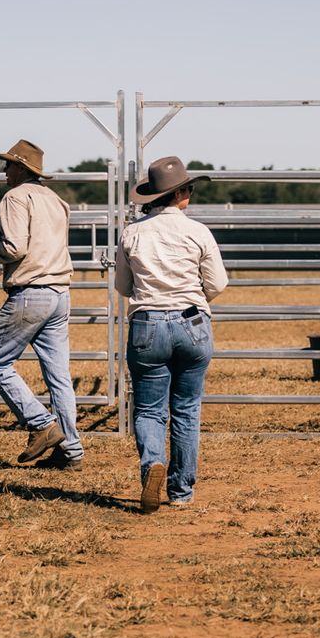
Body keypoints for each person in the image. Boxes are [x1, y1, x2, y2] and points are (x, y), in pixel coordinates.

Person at [114, 156, 227, 512]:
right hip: (193, 321)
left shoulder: (132, 232)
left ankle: (153, 465)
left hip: (148, 322)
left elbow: (123, 286)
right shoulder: (198, 232)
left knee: (148, 409)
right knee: (187, 408)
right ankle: (181, 490)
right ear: (181, 194)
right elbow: (218, 283)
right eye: (189, 188)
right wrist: (194, 299)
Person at [0, 139, 84, 468]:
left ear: (20, 168)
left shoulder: (15, 198)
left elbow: (15, 248)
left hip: (31, 291)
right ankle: (71, 451)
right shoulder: (57, 200)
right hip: (60, 292)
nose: (4, 171)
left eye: (8, 165)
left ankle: (41, 424)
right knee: (59, 376)